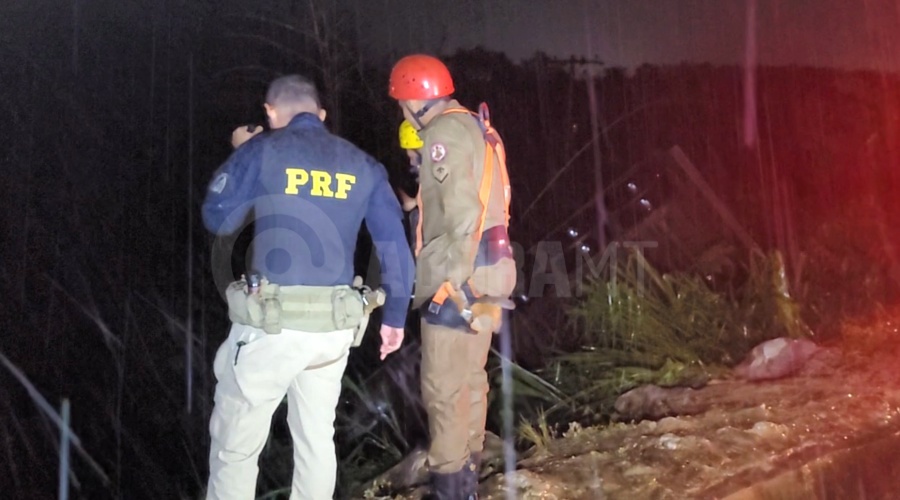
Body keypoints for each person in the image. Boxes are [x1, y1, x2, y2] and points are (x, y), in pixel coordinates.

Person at [201, 74, 413, 500]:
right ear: (321, 114)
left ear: (270, 113)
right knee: (316, 441)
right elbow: (396, 250)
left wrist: (245, 154)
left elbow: (217, 218)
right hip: (331, 333)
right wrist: (394, 321)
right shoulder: (364, 164)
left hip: (272, 329)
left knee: (236, 448)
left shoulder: (263, 149)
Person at [388, 54, 516, 499]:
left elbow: (462, 213)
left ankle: (451, 486)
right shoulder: (477, 127)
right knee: (471, 377)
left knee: (443, 386)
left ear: (412, 100)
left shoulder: (442, 133)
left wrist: (449, 282)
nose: (401, 111)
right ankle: (469, 475)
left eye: (401, 103)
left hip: (461, 272)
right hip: (492, 269)